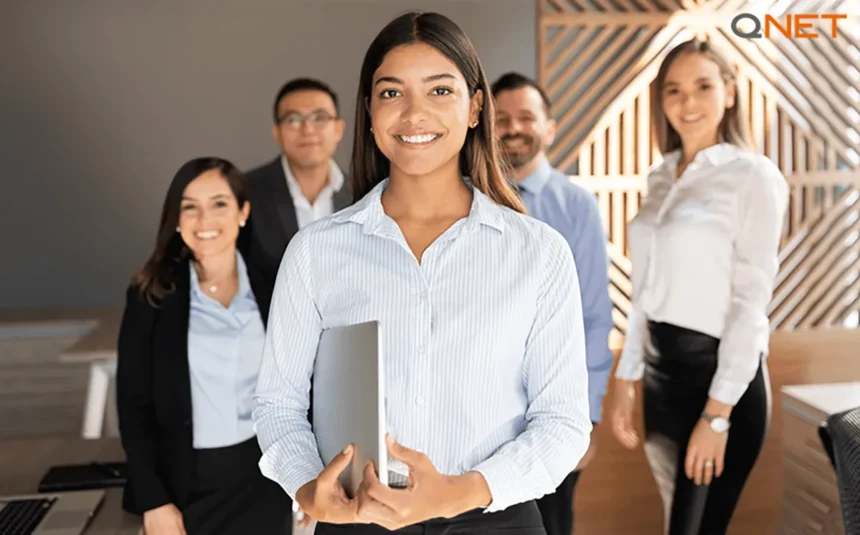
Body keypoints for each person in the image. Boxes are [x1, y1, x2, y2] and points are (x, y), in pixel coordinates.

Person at [253, 11, 592, 535]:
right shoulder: (316, 252)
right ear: (368, 110)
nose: (414, 113)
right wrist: (305, 485)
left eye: (439, 91)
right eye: (391, 93)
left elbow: (564, 423)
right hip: (357, 519)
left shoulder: (538, 253)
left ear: (476, 107)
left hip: (494, 520)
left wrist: (462, 491)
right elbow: (278, 404)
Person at [609, 38, 788, 535]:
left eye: (703, 87)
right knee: (677, 522)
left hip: (720, 382)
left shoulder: (752, 175)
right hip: (661, 383)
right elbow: (645, 290)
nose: (687, 103)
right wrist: (628, 377)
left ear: (729, 92)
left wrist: (717, 416)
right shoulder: (660, 177)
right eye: (674, 90)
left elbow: (751, 300)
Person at [116, 157, 291, 535]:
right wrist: (154, 501)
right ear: (176, 219)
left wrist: (306, 478)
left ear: (243, 211)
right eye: (189, 207)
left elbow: (302, 389)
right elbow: (133, 404)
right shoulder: (152, 294)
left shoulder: (276, 284)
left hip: (266, 481)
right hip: (184, 486)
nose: (204, 219)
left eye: (219, 204)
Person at [491, 71, 614, 535]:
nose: (514, 128)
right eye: (502, 119)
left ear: (550, 128)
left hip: (552, 410)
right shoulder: (468, 199)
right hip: (484, 412)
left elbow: (594, 316)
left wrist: (587, 417)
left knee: (554, 524)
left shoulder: (576, 205)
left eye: (526, 117)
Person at [245, 77, 352, 277]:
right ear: (277, 133)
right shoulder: (245, 192)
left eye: (320, 118)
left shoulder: (365, 193)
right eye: (293, 119)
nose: (308, 130)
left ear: (338, 129)